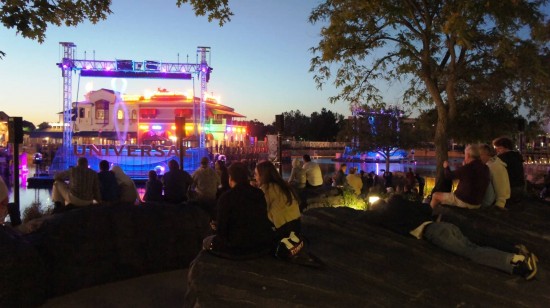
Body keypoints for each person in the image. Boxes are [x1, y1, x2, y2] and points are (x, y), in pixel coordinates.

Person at [363, 195, 538, 280]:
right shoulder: (397, 201)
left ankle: (517, 262)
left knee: (472, 253)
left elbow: (365, 219)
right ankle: (517, 254)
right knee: (474, 244)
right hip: (442, 225)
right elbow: (426, 209)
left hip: (434, 233)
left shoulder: (381, 217)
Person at [202, 162, 275, 259]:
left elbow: (222, 231)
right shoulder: (258, 193)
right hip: (259, 243)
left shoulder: (226, 197)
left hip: (236, 247)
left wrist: (216, 226)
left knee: (206, 241)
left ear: (231, 177)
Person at [430, 144, 489, 210]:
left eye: (465, 155)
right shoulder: (485, 168)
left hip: (463, 201)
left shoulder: (467, 168)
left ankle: (429, 217)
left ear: (468, 155)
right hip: (477, 203)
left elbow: (449, 176)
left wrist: (446, 167)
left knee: (435, 195)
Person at [254, 160, 301, 241]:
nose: (254, 177)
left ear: (263, 175)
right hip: (297, 225)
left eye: (256, 174)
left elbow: (260, 212)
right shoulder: (283, 185)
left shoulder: (266, 189)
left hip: (283, 231)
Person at [493, 136, 525, 204]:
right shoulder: (517, 156)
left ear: (501, 147)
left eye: (496, 148)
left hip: (510, 188)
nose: (496, 151)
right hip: (520, 187)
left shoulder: (502, 158)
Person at [479, 144, 510, 209]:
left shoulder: (495, 167)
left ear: (487, 154)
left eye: (480, 155)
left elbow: (501, 187)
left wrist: (499, 205)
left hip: (496, 203)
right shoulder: (492, 164)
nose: (479, 158)